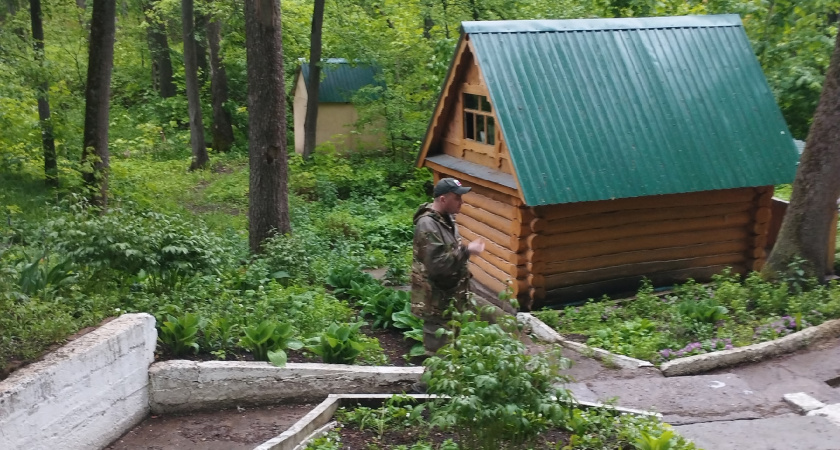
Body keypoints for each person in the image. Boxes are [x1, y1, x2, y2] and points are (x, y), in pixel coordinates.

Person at [411, 177, 485, 356]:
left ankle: (442, 382)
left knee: (449, 348)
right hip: (435, 299)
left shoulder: (447, 219)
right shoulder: (427, 225)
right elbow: (437, 264)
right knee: (437, 351)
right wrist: (467, 251)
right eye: (457, 197)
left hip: (449, 298)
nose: (461, 202)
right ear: (443, 199)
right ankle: (424, 385)